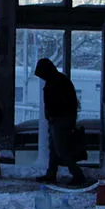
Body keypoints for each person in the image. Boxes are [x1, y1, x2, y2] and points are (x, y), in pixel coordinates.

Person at [35, 58, 86, 186]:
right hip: (61, 119)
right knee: (55, 147)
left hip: (60, 119)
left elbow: (57, 102)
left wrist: (52, 114)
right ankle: (52, 173)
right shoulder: (60, 80)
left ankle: (76, 174)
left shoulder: (55, 82)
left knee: (60, 149)